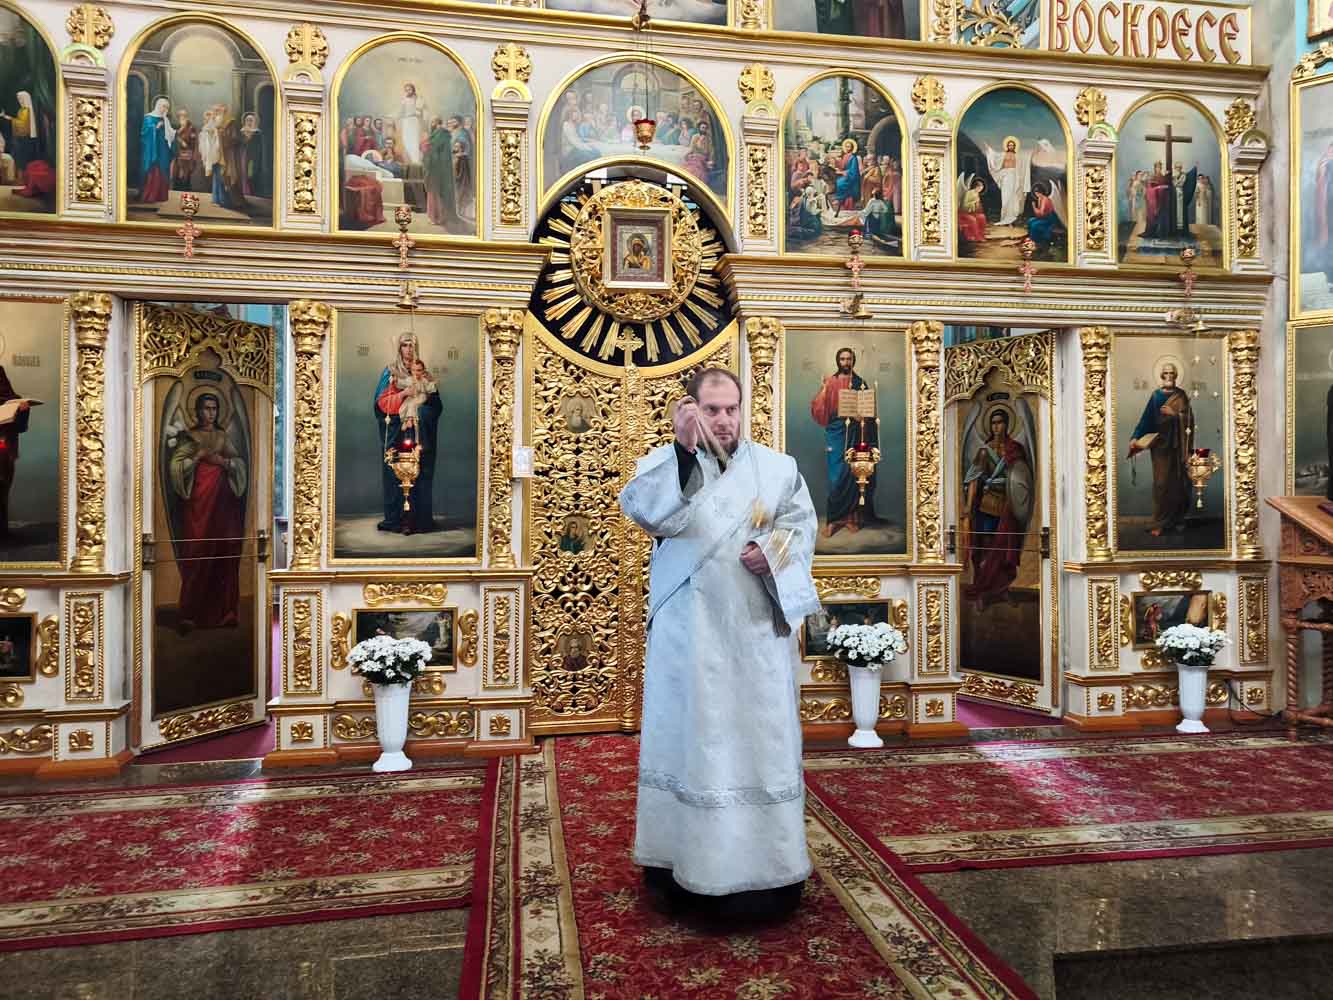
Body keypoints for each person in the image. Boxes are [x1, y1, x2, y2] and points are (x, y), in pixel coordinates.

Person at [619, 368, 819, 918]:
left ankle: (767, 871)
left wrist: (773, 553)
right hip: (691, 634)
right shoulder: (663, 464)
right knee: (694, 740)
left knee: (759, 741)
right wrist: (683, 452)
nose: (724, 420)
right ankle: (679, 865)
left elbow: (801, 528)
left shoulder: (777, 468)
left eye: (731, 409)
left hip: (753, 631)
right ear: (691, 410)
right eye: (712, 410)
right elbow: (647, 514)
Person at [168, 392, 246, 633]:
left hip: (223, 505)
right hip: (198, 506)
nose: (210, 413)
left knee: (223, 553)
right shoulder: (189, 437)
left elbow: (238, 462)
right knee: (197, 553)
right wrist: (198, 457)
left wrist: (225, 463)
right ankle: (190, 614)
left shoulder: (222, 437)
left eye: (214, 408)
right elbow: (176, 467)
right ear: (197, 411)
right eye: (206, 408)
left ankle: (225, 613)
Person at [961, 407, 1032, 609]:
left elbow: (1023, 479)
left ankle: (1002, 589)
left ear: (1007, 424)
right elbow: (973, 479)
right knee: (986, 548)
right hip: (987, 506)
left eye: (1000, 422)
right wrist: (968, 507)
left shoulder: (1015, 449)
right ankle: (983, 590)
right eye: (993, 423)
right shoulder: (984, 451)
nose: (996, 426)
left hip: (1008, 507)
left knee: (1005, 550)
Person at [375, 332, 443, 534]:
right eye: (405, 345)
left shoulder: (424, 374)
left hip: (420, 435)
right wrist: (404, 394)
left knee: (420, 473)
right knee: (396, 474)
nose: (409, 349)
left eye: (412, 345)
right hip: (398, 433)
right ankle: (396, 520)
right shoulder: (391, 372)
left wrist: (422, 410)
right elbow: (380, 405)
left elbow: (436, 405)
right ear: (399, 348)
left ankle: (420, 520)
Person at [809, 347, 876, 537]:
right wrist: (824, 390)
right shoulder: (831, 382)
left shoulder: (860, 383)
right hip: (836, 432)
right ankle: (833, 520)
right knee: (835, 477)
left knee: (852, 473)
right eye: (842, 359)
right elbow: (819, 409)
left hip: (855, 432)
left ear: (853, 361)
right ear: (837, 361)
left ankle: (850, 519)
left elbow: (868, 411)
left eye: (849, 359)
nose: (846, 362)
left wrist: (862, 417)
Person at [1127, 361, 1193, 536]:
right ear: (1162, 375)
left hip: (1178, 446)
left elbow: (1189, 420)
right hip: (1160, 446)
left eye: (1172, 373)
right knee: (1161, 483)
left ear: (1176, 375)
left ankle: (1177, 518)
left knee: (1178, 482)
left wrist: (1175, 415)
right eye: (1166, 373)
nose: (1169, 376)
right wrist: (1135, 437)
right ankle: (1159, 522)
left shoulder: (1181, 396)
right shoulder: (1156, 396)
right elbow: (1146, 419)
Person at [0, 367, 33, 538]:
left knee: (2, 491)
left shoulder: (14, 401)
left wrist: (23, 411)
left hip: (4, 452)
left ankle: (2, 532)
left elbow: (21, 427)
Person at [984, 136, 1032, 226]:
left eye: (1012, 145)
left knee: (1013, 198)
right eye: (1009, 145)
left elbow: (1026, 158)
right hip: (1005, 176)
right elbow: (994, 156)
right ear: (1007, 146)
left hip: (1014, 177)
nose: (1011, 147)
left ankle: (1012, 219)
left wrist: (1033, 152)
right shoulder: (1003, 154)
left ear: (1014, 146)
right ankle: (1004, 218)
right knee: (1005, 198)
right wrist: (989, 149)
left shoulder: (1018, 156)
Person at [138, 97, 175, 203]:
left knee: (163, 169)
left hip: (162, 149)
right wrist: (155, 128)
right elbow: (144, 133)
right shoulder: (148, 117)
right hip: (152, 149)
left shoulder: (165, 119)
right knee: (154, 171)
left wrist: (172, 133)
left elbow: (169, 134)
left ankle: (161, 195)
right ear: (158, 105)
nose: (165, 109)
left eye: (167, 107)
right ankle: (150, 196)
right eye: (163, 106)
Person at [396, 358, 437, 432]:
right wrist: (396, 380)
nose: (416, 373)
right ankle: (404, 421)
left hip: (421, 396)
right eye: (413, 370)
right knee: (403, 406)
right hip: (412, 396)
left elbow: (428, 387)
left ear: (423, 371)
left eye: (419, 370)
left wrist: (433, 384)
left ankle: (410, 419)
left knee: (412, 405)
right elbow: (403, 383)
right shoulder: (409, 379)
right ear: (411, 371)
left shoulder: (423, 380)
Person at [399, 83, 426, 165]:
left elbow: (420, 112)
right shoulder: (403, 100)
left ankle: (416, 162)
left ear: (413, 90)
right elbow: (401, 112)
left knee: (414, 141)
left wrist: (415, 112)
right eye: (406, 90)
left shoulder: (418, 99)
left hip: (414, 121)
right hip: (405, 121)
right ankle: (410, 161)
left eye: (409, 89)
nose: (408, 91)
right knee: (406, 141)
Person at [958, 176, 988, 244]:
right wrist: (974, 203)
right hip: (964, 213)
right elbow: (964, 205)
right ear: (976, 187)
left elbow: (977, 207)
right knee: (973, 220)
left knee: (982, 217)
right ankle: (977, 236)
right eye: (980, 187)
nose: (980, 189)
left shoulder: (976, 193)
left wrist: (978, 206)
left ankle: (981, 235)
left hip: (972, 212)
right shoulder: (969, 193)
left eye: (981, 188)